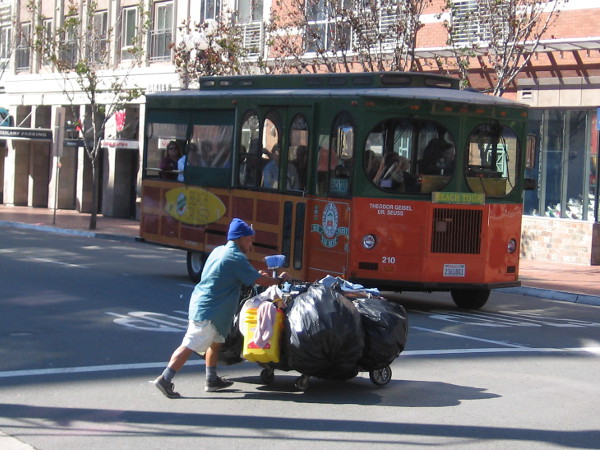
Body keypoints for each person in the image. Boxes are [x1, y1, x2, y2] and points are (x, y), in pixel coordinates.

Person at [153, 218, 291, 397]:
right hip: (210, 310)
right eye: (249, 240)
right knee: (190, 343)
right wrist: (279, 280)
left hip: (209, 306)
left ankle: (211, 379)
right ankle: (165, 378)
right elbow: (258, 280)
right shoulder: (235, 257)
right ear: (241, 238)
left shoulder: (220, 251)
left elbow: (237, 274)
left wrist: (257, 276)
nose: (251, 245)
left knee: (216, 342)